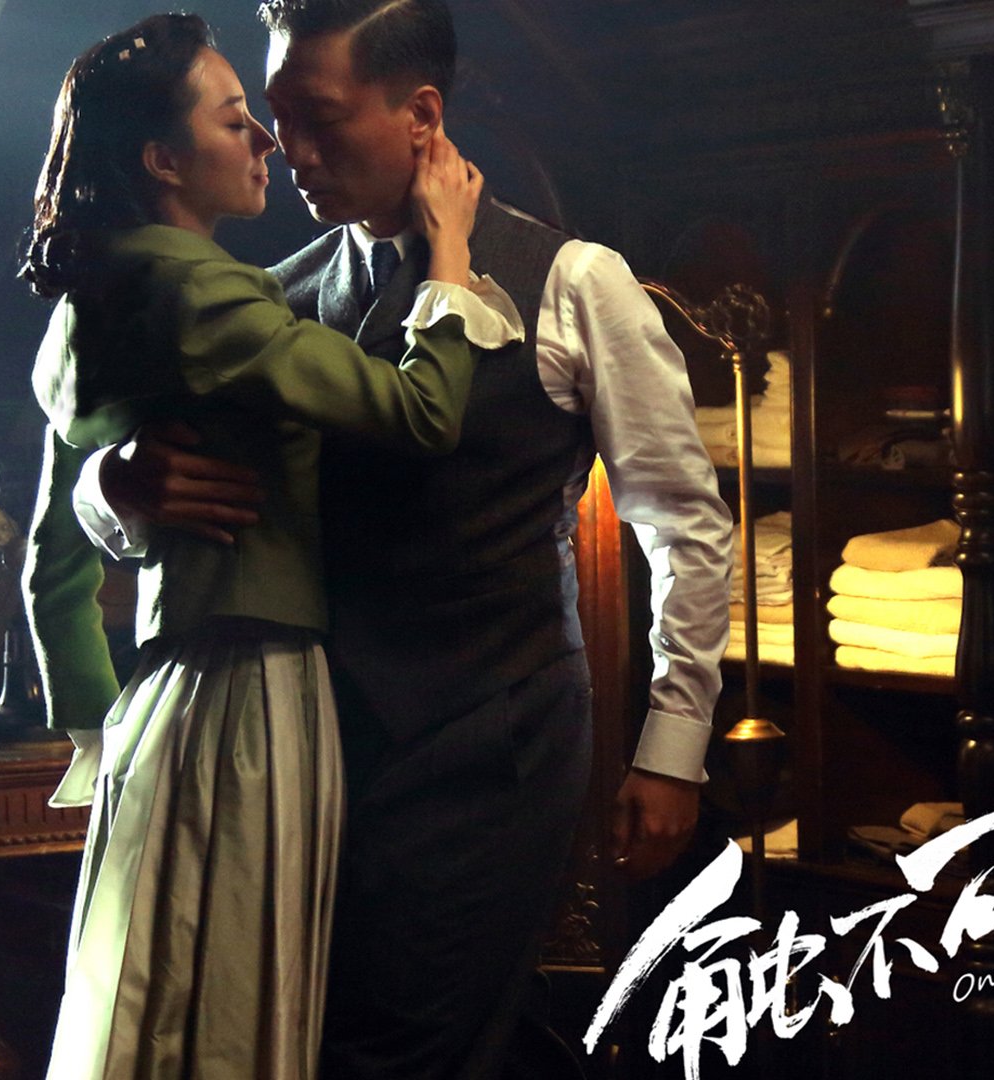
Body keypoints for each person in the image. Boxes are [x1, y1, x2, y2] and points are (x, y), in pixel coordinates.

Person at [70, 2, 735, 1076]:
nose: (291, 150)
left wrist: (672, 747)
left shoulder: (576, 282)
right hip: (314, 744)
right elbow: (110, 478)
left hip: (496, 734)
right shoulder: (272, 297)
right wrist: (114, 488)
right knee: (328, 1041)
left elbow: (684, 524)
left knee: (404, 1049)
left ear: (421, 114)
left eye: (322, 119)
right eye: (277, 118)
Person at [16, 14, 523, 1080]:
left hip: (157, 704)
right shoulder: (211, 290)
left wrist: (96, 724)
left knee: (163, 989)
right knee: (235, 1002)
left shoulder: (84, 308)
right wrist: (451, 257)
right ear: (163, 160)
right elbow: (422, 414)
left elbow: (49, 568)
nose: (267, 144)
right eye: (237, 119)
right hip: (258, 687)